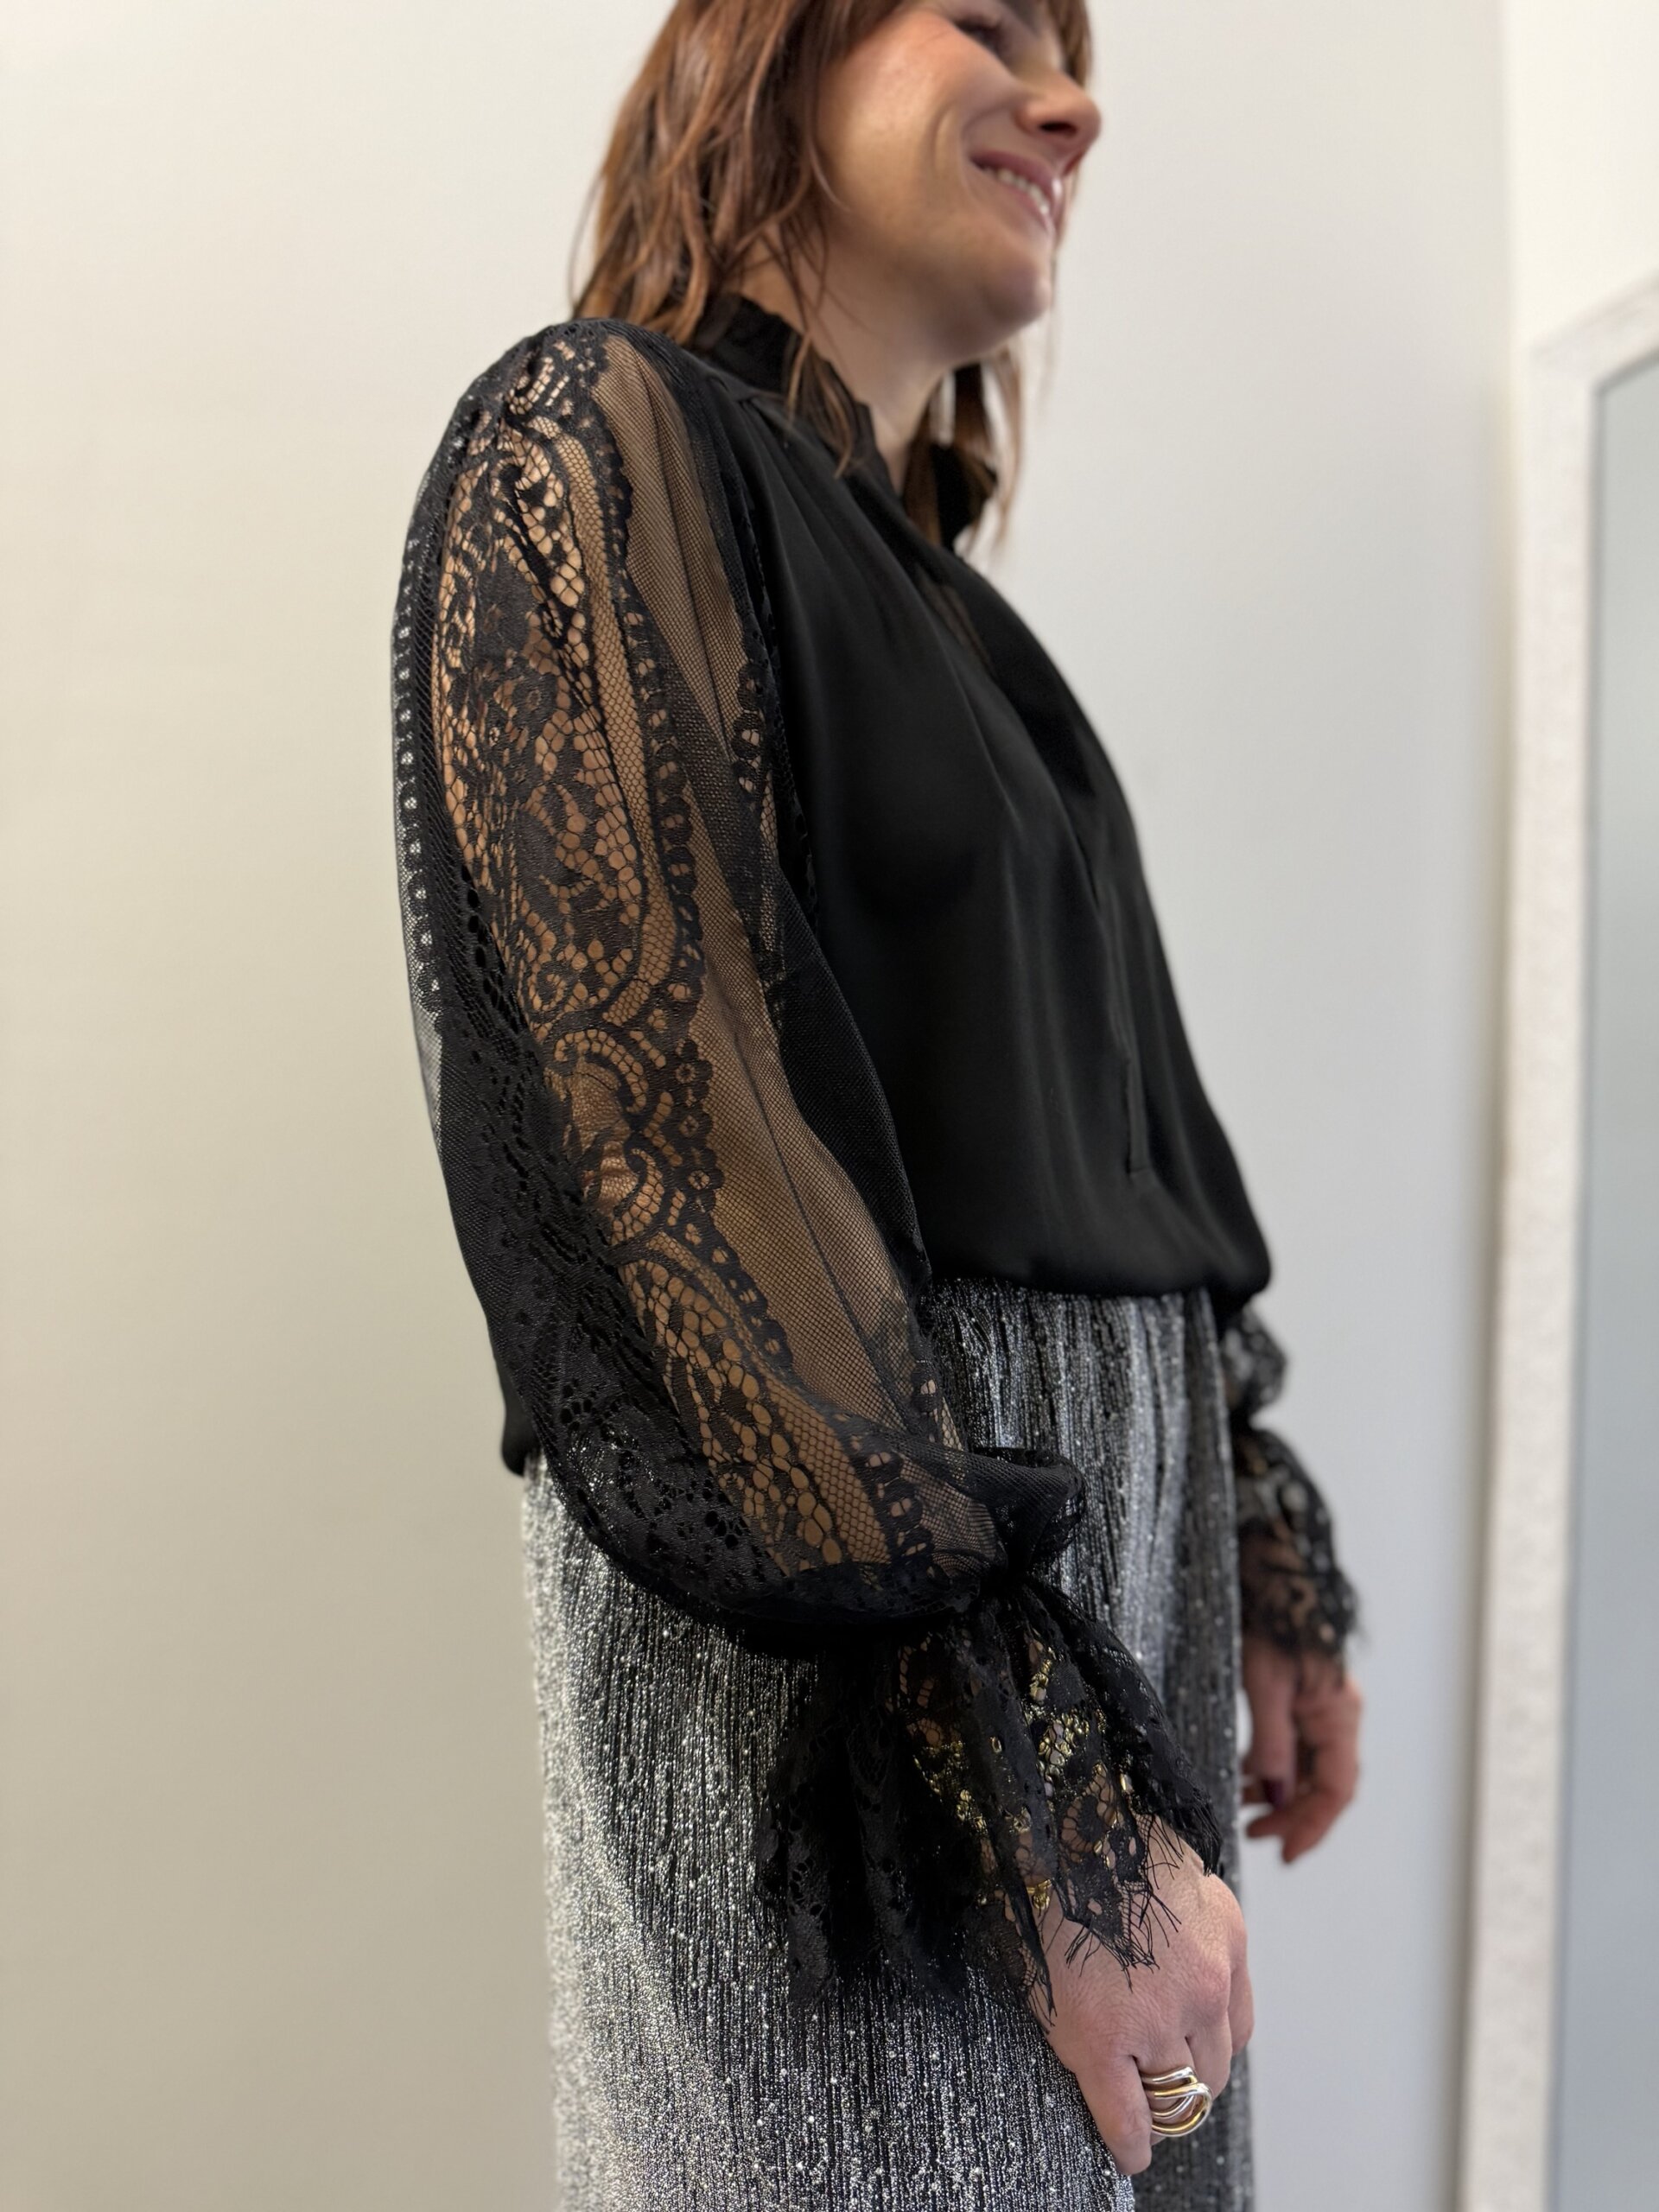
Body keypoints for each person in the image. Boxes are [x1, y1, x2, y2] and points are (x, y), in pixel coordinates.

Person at [391, 3, 1363, 2205]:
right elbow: (657, 1155)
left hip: (1084, 1664)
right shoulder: (594, 440)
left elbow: (1124, 1148)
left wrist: (1257, 1544)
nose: (1072, 99)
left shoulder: (987, 647)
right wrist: (1044, 1800)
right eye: (986, 20)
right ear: (777, 50)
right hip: (872, 1711)